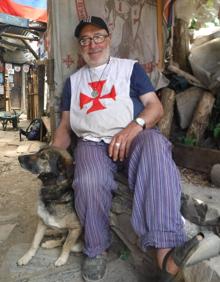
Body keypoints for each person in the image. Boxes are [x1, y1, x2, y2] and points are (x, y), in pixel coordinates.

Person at [53, 16, 207, 282]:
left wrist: (133, 128)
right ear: (80, 47)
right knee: (89, 181)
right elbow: (66, 126)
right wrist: (51, 157)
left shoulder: (130, 69)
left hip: (134, 135)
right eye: (85, 40)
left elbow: (155, 108)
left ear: (109, 39)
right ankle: (96, 249)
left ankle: (165, 253)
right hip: (92, 142)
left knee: (156, 148)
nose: (92, 44)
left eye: (98, 36)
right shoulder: (73, 82)